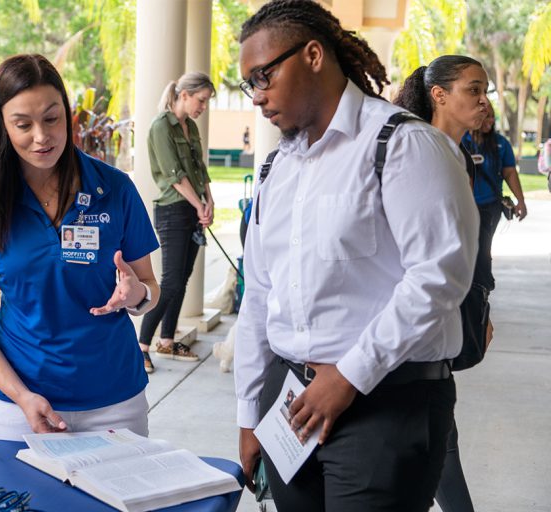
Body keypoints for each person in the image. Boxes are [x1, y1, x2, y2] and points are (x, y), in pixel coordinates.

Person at [234, 2, 479, 511]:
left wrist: (347, 376)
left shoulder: (403, 143)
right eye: (248, 84)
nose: (257, 97)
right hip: (291, 406)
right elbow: (259, 291)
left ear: (314, 55)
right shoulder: (277, 167)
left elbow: (439, 276)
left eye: (263, 76)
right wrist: (248, 412)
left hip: (387, 403)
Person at [0, 54, 160, 441]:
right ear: (2, 127)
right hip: (20, 407)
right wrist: (22, 396)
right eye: (23, 124)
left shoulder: (115, 189)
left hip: (115, 403)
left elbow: (149, 288)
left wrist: (135, 294)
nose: (41, 136)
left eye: (52, 118)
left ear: (68, 115)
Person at [394, 55, 492, 512]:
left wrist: (479, 305)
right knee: (437, 444)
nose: (483, 100)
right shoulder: (415, 152)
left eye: (484, 90)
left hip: (444, 321)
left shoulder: (460, 156)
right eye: (473, 89)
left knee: (436, 442)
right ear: (439, 95)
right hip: (409, 330)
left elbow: (469, 248)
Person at [137, 72, 216, 373]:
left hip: (193, 209)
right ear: (184, 95)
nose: (203, 107)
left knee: (182, 278)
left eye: (206, 102)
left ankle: (167, 341)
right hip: (173, 209)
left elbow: (200, 168)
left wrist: (208, 202)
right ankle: (142, 346)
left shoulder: (191, 127)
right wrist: (199, 205)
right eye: (201, 100)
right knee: (169, 281)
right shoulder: (161, 126)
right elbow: (173, 174)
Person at [463, 101, 527, 289]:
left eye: (492, 116)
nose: (489, 120)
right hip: (465, 205)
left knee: (483, 248)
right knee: (468, 249)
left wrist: (520, 201)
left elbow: (509, 173)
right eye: (486, 116)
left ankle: (481, 288)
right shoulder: (462, 140)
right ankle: (474, 285)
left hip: (490, 206)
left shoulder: (501, 143)